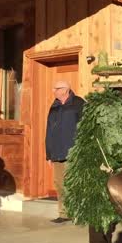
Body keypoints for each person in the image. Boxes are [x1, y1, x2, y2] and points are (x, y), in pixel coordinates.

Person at [45, 80, 85, 223]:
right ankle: (64, 213)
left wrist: (81, 149)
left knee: (74, 184)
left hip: (73, 152)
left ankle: (79, 213)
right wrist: (48, 154)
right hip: (57, 153)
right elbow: (49, 131)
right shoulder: (54, 106)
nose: (53, 91)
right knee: (60, 184)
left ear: (65, 89)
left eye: (56, 88)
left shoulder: (78, 104)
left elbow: (85, 129)